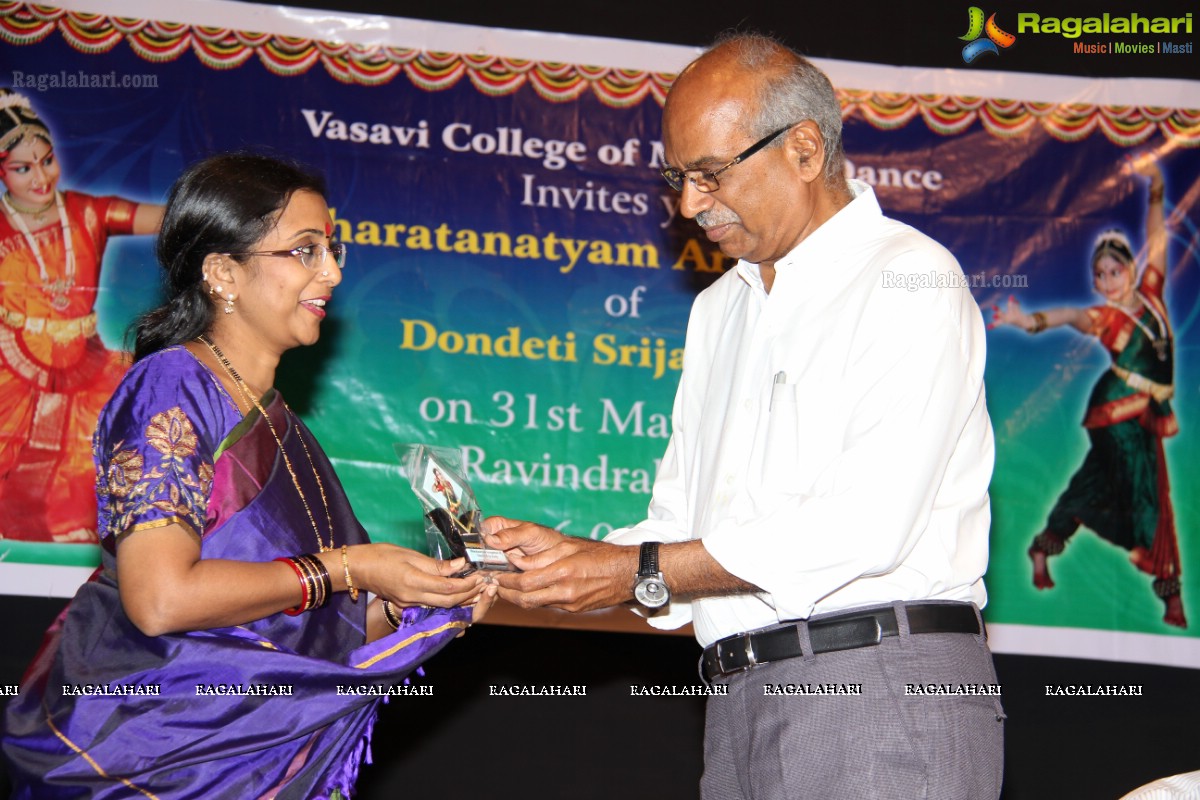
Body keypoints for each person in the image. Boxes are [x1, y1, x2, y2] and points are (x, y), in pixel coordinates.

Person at [484, 33, 1003, 799]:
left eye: (709, 174)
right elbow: (680, 520)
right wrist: (563, 565)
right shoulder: (719, 309)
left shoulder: (908, 278)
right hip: (737, 697)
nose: (690, 204)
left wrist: (634, 570)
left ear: (802, 149)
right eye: (678, 178)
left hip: (880, 687)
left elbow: (865, 524)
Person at [2, 153, 496, 798]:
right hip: (148, 753)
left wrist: (414, 600)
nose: (334, 271)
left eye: (333, 248)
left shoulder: (280, 425)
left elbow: (306, 627)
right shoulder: (172, 387)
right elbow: (160, 600)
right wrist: (353, 567)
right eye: (305, 250)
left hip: (244, 760)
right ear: (222, 273)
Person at [992, 155, 1184, 629]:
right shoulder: (1103, 317)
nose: (1104, 281)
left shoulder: (1154, 297)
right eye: (1098, 275)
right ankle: (1169, 592)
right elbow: (1066, 315)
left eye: (1113, 272)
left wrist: (1156, 188)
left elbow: (1157, 241)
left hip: (1139, 412)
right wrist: (1027, 320)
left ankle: (1042, 548)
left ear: (1131, 272)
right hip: (1119, 414)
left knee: (1091, 487)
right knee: (1148, 494)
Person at [0, 88, 165, 543]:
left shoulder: (85, 211)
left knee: (125, 424)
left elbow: (166, 217)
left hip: (83, 358)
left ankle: (82, 527)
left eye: (47, 161)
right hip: (11, 361)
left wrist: (221, 209)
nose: (41, 177)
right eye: (23, 168)